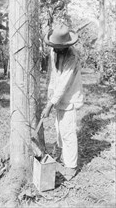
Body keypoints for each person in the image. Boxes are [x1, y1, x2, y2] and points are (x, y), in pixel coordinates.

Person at [41, 24, 84, 181]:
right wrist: (49, 98)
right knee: (59, 129)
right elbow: (53, 77)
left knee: (68, 133)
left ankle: (71, 167)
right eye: (54, 47)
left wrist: (49, 104)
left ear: (67, 46)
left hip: (70, 97)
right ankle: (60, 156)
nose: (56, 49)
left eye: (59, 47)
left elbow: (64, 83)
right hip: (58, 98)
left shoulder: (72, 57)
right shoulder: (54, 52)